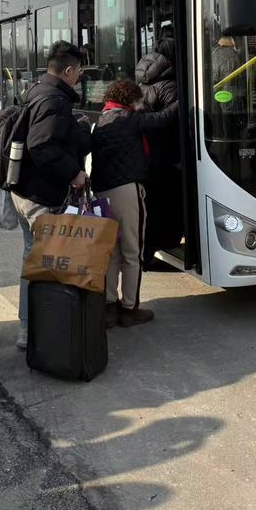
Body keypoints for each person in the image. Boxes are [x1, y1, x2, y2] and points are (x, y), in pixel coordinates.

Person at [11, 41, 92, 350]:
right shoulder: (56, 100)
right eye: (79, 72)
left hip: (24, 191)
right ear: (69, 70)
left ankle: (30, 329)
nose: (79, 77)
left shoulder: (36, 90)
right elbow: (42, 145)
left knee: (33, 260)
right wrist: (74, 173)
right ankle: (37, 333)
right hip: (41, 195)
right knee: (44, 266)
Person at [92, 79, 178, 328]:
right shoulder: (128, 119)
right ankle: (130, 308)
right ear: (130, 99)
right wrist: (186, 96)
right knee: (132, 252)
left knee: (111, 252)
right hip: (127, 191)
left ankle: (109, 307)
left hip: (102, 193)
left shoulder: (102, 121)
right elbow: (162, 118)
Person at [135, 36, 181, 266]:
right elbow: (175, 124)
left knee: (151, 206)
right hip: (167, 157)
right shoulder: (170, 86)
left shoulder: (142, 81)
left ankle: (146, 252)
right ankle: (154, 250)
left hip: (147, 155)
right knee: (167, 206)